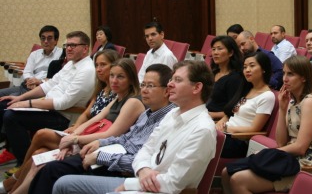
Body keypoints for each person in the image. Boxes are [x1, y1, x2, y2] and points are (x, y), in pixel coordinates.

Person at [52, 60, 216, 194]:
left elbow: (172, 184)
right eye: (171, 79)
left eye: (178, 80)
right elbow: (145, 150)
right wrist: (144, 170)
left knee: (64, 184)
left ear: (197, 87)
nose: (170, 85)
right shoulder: (173, 115)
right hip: (143, 182)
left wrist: (131, 184)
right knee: (63, 183)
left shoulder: (202, 129)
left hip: (156, 190)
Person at [28, 64, 177, 194]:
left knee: (53, 170)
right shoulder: (147, 112)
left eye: (150, 86)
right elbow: (125, 137)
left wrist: (99, 156)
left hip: (123, 169)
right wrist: (100, 143)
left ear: (166, 91)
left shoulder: (168, 120)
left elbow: (143, 159)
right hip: (111, 153)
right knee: (47, 164)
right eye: (143, 85)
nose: (144, 90)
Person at [0, 50, 119, 193]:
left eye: (103, 65)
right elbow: (87, 113)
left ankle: (11, 182)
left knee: (41, 134)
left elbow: (99, 121)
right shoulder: (101, 88)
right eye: (97, 65)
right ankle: (13, 187)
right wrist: (76, 127)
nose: (98, 69)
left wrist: (75, 133)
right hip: (80, 130)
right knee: (39, 152)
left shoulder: (117, 92)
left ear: (115, 65)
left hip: (90, 138)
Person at [221, 55, 312, 193]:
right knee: (226, 172)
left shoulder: (310, 102)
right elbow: (280, 142)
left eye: (290, 74)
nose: (284, 78)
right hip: (289, 157)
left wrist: (268, 152)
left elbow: (301, 147)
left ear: (303, 77)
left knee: (238, 180)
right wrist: (282, 109)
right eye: (284, 73)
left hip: (308, 162)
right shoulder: (292, 102)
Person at [0, 31, 96, 166]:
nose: (68, 48)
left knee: (11, 116)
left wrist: (28, 103)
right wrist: (19, 98)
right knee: (5, 103)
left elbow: (63, 103)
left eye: (73, 45)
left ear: (85, 48)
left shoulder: (87, 70)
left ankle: (23, 162)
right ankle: (10, 151)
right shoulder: (70, 63)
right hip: (48, 108)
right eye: (67, 45)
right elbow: (48, 85)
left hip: (64, 116)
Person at [216, 52, 275, 158]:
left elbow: (254, 128)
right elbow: (230, 113)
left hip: (238, 141)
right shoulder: (245, 89)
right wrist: (221, 122)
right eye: (245, 67)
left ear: (263, 69)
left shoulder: (267, 96)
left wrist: (228, 129)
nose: (247, 70)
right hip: (225, 134)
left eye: (252, 66)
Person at [0, 25, 63, 99]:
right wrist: (30, 81)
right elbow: (27, 72)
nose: (45, 41)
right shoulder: (35, 54)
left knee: (8, 100)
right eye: (43, 38)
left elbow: (58, 77)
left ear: (56, 40)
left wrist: (39, 81)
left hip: (44, 88)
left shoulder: (62, 55)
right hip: (28, 86)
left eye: (49, 38)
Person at [206, 36, 244, 120]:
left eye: (219, 49)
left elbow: (235, 109)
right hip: (204, 114)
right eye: (213, 49)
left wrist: (210, 115)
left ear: (230, 53)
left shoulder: (235, 78)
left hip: (218, 120)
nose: (215, 52)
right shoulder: (213, 73)